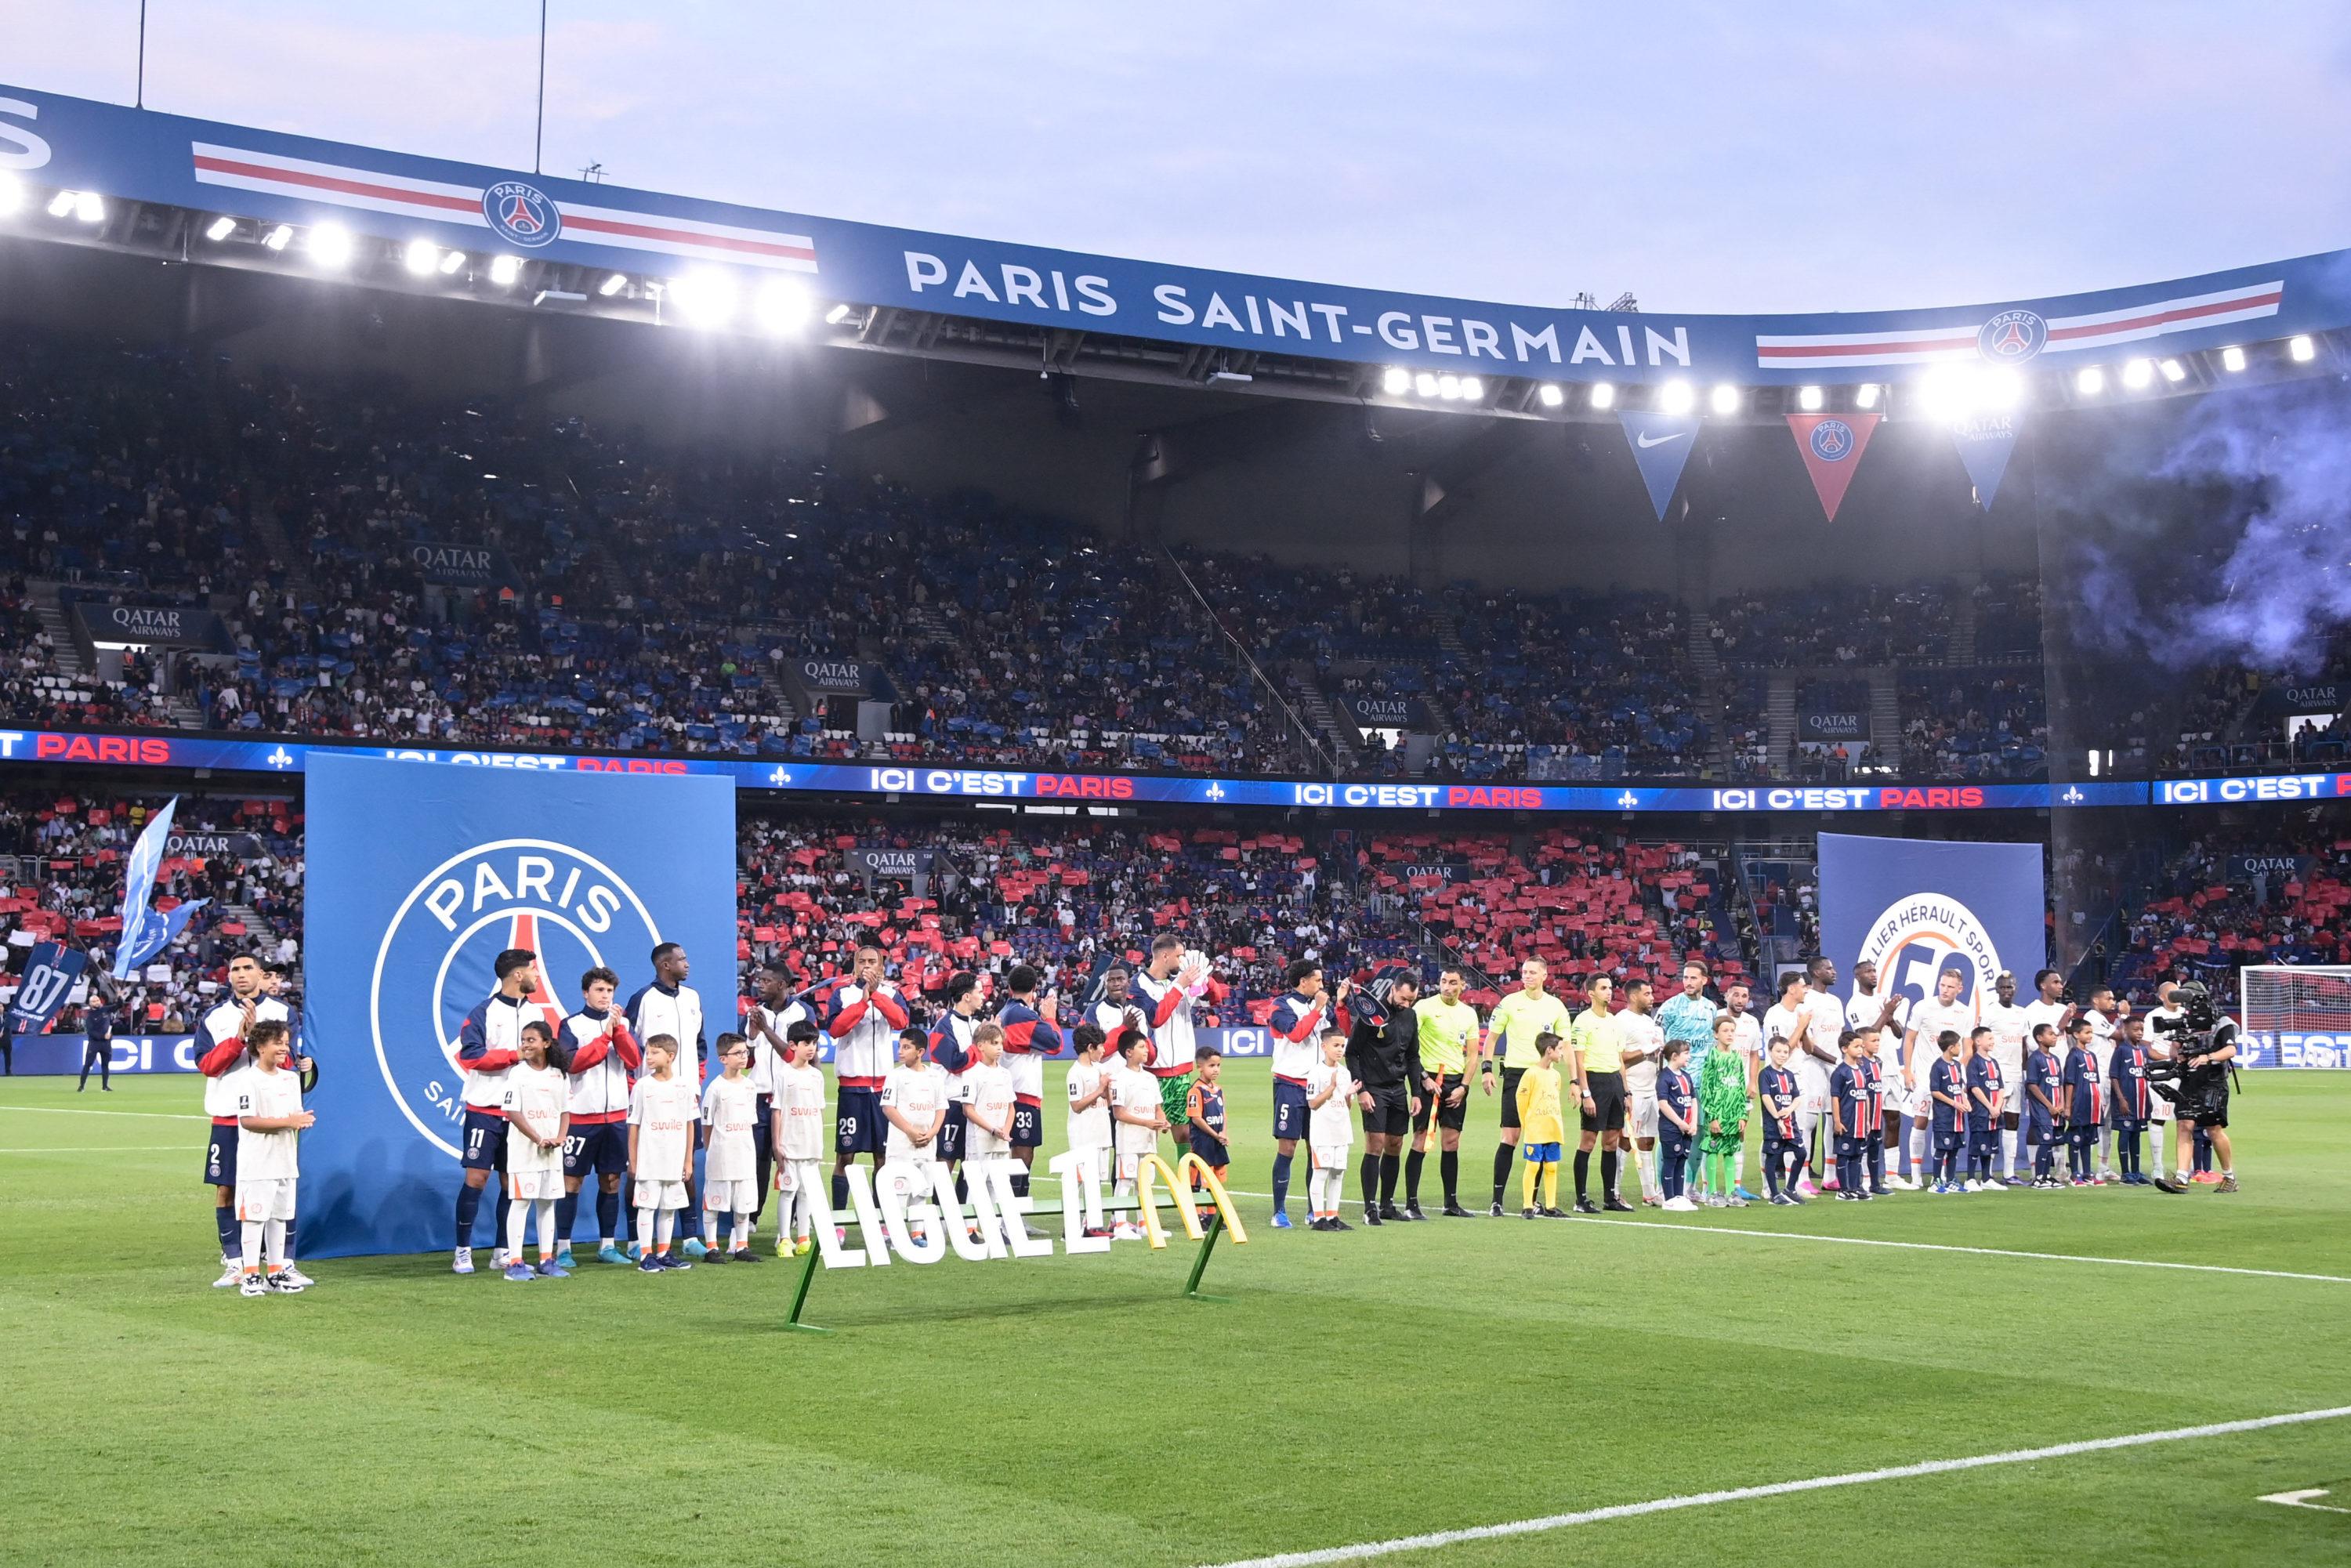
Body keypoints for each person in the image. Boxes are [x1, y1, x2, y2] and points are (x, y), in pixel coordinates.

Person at [198, 952, 292, 1289]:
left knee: (279, 1186)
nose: (240, 974)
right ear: (228, 977)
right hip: (227, 1114)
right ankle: (235, 1262)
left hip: (270, 1116)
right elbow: (207, 1065)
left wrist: (262, 1045)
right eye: (234, 969)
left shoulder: (282, 1012)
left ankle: (282, 1263)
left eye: (247, 968)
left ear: (259, 973)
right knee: (226, 1189)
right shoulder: (214, 1016)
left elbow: (290, 1061)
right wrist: (239, 1038)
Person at [451, 947, 536, 1277]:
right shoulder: (483, 1011)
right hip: (484, 1109)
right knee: (477, 1177)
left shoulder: (538, 1015)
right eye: (532, 970)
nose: (536, 976)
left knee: (510, 1182)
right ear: (517, 975)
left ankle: (504, 1251)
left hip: (519, 1112)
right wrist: (515, 1054)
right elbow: (471, 1057)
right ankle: (462, 1251)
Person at [626, 943, 708, 1258]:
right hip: (651, 1096)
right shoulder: (643, 998)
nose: (687, 964)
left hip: (684, 1094)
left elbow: (700, 1044)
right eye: (681, 959)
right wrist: (636, 1082)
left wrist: (696, 1082)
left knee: (684, 1168)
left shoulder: (692, 998)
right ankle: (636, 1241)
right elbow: (630, 1046)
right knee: (641, 1168)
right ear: (664, 964)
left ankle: (689, 1237)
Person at [556, 965, 639, 1269]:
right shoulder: (571, 1025)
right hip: (580, 1117)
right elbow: (573, 1063)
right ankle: (563, 1248)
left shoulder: (623, 1024)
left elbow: (633, 1061)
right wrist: (604, 1038)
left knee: (612, 1181)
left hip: (616, 1117)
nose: (605, 996)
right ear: (585, 993)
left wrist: (617, 1032)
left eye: (609, 991)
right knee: (572, 1182)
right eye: (599, 990)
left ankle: (607, 1246)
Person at [226, 1020, 312, 1297]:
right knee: (254, 1217)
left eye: (286, 1043)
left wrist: (299, 1121)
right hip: (257, 1161)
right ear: (260, 1047)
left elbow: (294, 1116)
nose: (284, 1049)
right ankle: (250, 1275)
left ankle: (275, 1272)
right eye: (278, 1043)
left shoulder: (290, 1079)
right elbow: (248, 1120)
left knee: (279, 1217)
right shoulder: (247, 1080)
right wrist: (290, 1121)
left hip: (285, 1159)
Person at [1482, 958, 1572, 1215]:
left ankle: (1532, 1202)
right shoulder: (1510, 1003)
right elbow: (1492, 1037)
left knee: (1542, 1138)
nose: (1527, 976)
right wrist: (1487, 1069)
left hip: (1545, 1077)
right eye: (1524, 972)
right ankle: (1496, 1200)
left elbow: (1565, 1043)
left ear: (1545, 974)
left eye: (1533, 972)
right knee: (1510, 1137)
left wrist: (1574, 1080)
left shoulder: (1556, 1006)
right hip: (1516, 1075)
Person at [825, 944, 911, 1212]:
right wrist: (863, 1002)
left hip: (883, 1090)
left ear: (881, 966)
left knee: (883, 1156)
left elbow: (900, 1022)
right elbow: (836, 1029)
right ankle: (839, 1219)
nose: (867, 966)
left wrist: (876, 996)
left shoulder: (892, 994)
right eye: (862, 961)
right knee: (845, 1155)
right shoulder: (842, 995)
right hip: (852, 1088)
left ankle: (880, 1217)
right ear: (854, 964)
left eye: (872, 961)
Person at [1266, 957, 1339, 1229]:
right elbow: (1296, 1035)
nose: (1322, 985)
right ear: (1303, 981)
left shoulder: (1319, 1007)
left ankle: (1313, 1210)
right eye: (1318, 980)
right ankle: (1279, 1212)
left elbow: (1335, 1035)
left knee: (1315, 1148)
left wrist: (1339, 1005)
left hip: (1316, 1086)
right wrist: (1318, 1009)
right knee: (1288, 1147)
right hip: (1289, 1084)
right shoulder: (1281, 1006)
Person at [1345, 969, 1424, 1224]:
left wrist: (1417, 1094)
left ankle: (1387, 1205)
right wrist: (1362, 1089)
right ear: (1393, 989)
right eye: (1403, 998)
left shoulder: (1410, 1016)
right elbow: (1352, 1053)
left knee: (1395, 1145)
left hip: (1398, 1088)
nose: (1406, 1004)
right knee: (1375, 1144)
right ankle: (1370, 1208)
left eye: (1411, 1000)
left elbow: (1413, 1057)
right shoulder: (1371, 1014)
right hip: (1374, 1088)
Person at [1130, 934, 1213, 1166]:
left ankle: (1186, 1183)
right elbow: (1155, 1017)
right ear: (1164, 956)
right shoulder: (1139, 984)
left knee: (1185, 1133)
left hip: (1182, 1072)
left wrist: (1205, 979)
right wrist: (1180, 985)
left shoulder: (1181, 979)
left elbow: (1215, 998)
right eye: (1180, 956)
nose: (1183, 960)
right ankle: (1143, 1185)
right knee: (1149, 1133)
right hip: (1153, 1072)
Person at [2152, 983, 2239, 1194]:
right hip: (2188, 1081)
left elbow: (2230, 1050)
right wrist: (2177, 1050)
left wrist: (2206, 1057)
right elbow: (2175, 1053)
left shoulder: (2222, 1021)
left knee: (2213, 1130)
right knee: (2184, 1125)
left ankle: (2229, 1177)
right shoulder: (2185, 1022)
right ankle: (2182, 1178)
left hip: (2213, 1082)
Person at [501, 1019, 571, 1282]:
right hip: (524, 1151)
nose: (525, 1045)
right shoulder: (517, 1073)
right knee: (521, 1203)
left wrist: (560, 1137)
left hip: (552, 1152)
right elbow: (512, 1111)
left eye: (531, 1040)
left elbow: (565, 1110)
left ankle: (546, 1260)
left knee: (547, 1204)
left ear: (546, 1043)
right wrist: (538, 1138)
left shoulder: (559, 1073)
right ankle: (515, 1263)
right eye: (523, 1040)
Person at [1409, 965, 1481, 1216]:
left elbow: (1473, 1056)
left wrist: (1464, 1086)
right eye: (1443, 981)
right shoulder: (1424, 1008)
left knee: (1451, 1142)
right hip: (1428, 1081)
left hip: (1455, 1084)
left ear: (1463, 985)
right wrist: (1424, 1079)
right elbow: (1409, 1046)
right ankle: (1411, 1204)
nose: (1447, 987)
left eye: (1453, 982)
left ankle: (1450, 1204)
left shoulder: (1469, 1014)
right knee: (1420, 1139)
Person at [628, 1034, 697, 1272]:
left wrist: (688, 1160)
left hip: (674, 1159)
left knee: (669, 1207)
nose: (649, 1056)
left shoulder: (684, 1086)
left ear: (670, 1056)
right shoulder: (642, 1086)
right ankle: (645, 1256)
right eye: (647, 1052)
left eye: (654, 1052)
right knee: (647, 1206)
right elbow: (634, 1125)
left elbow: (690, 1123)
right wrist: (634, 1160)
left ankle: (664, 1252)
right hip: (650, 1159)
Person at [1902, 965, 1976, 1187]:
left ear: (1960, 989)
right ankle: (1916, 1174)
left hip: (1951, 1082)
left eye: (1950, 987)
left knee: (1945, 1124)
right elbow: (1909, 1040)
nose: (1945, 990)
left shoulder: (1965, 1012)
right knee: (1921, 1121)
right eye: (1942, 985)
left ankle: (1943, 1174)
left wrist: (1954, 1070)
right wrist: (1907, 1070)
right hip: (1925, 1077)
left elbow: (1969, 1049)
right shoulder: (1923, 1007)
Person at [994, 964, 1063, 1197]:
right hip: (1021, 1094)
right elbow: (1055, 1044)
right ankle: (1015, 1215)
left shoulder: (1006, 1012)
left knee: (1017, 1154)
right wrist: (1050, 1018)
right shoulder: (1022, 1014)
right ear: (1035, 988)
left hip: (1012, 1090)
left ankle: (1014, 1214)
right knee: (1022, 1154)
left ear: (1010, 987)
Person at [1656, 959, 1720, 1200]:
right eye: (1685, 978)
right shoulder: (1670, 1007)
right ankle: (1664, 1187)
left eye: (1693, 978)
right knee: (1671, 1134)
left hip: (1702, 1082)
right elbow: (1657, 1038)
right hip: (1676, 1081)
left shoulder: (1710, 1008)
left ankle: (1689, 1186)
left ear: (1705, 980)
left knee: (1699, 1133)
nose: (1688, 982)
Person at [1567, 975, 1628, 1215]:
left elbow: (1620, 1060)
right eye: (1603, 988)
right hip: (1595, 1081)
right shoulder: (1582, 1021)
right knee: (1588, 1142)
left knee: (1611, 1143)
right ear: (1591, 993)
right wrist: (1586, 1093)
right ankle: (1581, 1199)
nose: (1609, 992)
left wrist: (1627, 1091)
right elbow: (1579, 1062)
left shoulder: (1614, 1021)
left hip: (1614, 1082)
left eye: (1610, 988)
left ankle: (1609, 1198)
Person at [701, 1033, 763, 1262]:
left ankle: (741, 1246)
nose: (743, 1057)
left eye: (745, 1052)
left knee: (744, 1202)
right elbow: (707, 1124)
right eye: (738, 1053)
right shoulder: (715, 1089)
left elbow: (751, 1121)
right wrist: (713, 1149)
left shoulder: (750, 1086)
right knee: (714, 1202)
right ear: (723, 1058)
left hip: (745, 1153)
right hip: (721, 1154)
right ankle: (711, 1248)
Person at [1762, 972, 1823, 1197]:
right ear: (1791, 989)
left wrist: (1804, 1027)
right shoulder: (1774, 1015)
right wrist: (1801, 1025)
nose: (1806, 989)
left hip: (1798, 1075)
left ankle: (1798, 1181)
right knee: (1775, 1132)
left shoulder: (1800, 1013)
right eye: (1803, 986)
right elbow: (1783, 1050)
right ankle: (1769, 1186)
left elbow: (1808, 1047)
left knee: (1802, 1128)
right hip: (1777, 1078)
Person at [770, 1021, 827, 1256]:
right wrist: (776, 1144)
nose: (811, 1048)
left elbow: (820, 1110)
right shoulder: (784, 1075)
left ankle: (803, 1238)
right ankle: (784, 1238)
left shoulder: (817, 1076)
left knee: (807, 1193)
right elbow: (777, 1110)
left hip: (811, 1145)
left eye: (814, 1043)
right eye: (806, 1043)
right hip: (790, 1144)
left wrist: (820, 1143)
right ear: (792, 1045)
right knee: (788, 1191)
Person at [880, 1027, 950, 1220]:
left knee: (922, 1191)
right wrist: (910, 1131)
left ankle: (917, 1234)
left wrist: (933, 1132)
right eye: (900, 1046)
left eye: (906, 1047)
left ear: (920, 1052)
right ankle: (896, 1234)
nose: (900, 1051)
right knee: (900, 1192)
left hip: (927, 1145)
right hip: (902, 1145)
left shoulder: (935, 1076)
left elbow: (941, 1107)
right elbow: (888, 1107)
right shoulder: (895, 1076)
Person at [926, 971, 988, 1182]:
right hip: (951, 1103)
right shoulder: (943, 1027)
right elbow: (954, 1063)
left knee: (972, 1163)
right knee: (945, 1160)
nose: (984, 996)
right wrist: (981, 1045)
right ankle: (941, 1214)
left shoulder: (976, 1024)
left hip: (973, 1104)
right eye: (980, 992)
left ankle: (964, 1213)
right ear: (967, 996)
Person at [1109, 1029, 1168, 1240]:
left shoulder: (1151, 1078)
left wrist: (1162, 1122)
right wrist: (1147, 1122)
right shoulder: (1119, 1079)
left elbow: (1158, 1107)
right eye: (1142, 1047)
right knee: (1125, 1181)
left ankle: (1145, 1223)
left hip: (1149, 1140)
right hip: (1129, 1139)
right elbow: (1119, 1113)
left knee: (1145, 1182)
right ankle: (1120, 1225)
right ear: (1128, 1052)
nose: (1147, 1050)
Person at [1799, 957, 1849, 1188]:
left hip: (1834, 1066)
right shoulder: (1805, 1000)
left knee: (1832, 1119)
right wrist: (1834, 1059)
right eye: (1829, 968)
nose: (1834, 971)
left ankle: (1830, 1175)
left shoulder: (1837, 1001)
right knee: (1809, 1122)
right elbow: (1806, 1042)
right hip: (1812, 1065)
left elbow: (1838, 1034)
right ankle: (1803, 1177)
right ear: (1816, 972)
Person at [1617, 977, 1665, 1208]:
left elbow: (1655, 1054)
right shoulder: (1621, 1022)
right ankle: (1613, 1191)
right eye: (1647, 994)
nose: (1652, 998)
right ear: (1634, 996)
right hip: (1632, 1090)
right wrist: (1646, 1050)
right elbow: (1617, 1057)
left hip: (1652, 1089)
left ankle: (1650, 1193)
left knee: (1648, 1141)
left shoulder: (1650, 1022)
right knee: (1625, 1140)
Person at [1305, 1029, 1358, 1232]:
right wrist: (1332, 1087)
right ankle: (1318, 1218)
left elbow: (1347, 1106)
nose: (1340, 1050)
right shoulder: (1316, 1072)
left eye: (1342, 1046)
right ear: (1324, 1046)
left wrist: (1348, 1095)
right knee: (1321, 1173)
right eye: (1336, 1045)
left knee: (1338, 1174)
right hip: (1322, 1132)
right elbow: (1313, 1103)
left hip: (1341, 1130)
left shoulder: (1345, 1072)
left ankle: (1333, 1215)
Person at [1064, 1023, 1115, 1234]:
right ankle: (1071, 1226)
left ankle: (1089, 1225)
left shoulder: (1101, 1070)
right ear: (1090, 1047)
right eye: (1101, 1046)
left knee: (1096, 1181)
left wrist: (1107, 1091)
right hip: (1083, 1135)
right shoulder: (1075, 1073)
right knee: (1078, 1181)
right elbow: (1076, 1105)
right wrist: (1100, 1089)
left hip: (1101, 1133)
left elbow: (1109, 1103)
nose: (1104, 1051)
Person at [1982, 972, 2032, 1182]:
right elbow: (1981, 1042)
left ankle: (2009, 1172)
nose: (2006, 991)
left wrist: (2025, 1073)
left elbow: (2024, 1047)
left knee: (2013, 1121)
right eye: (2002, 988)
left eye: (2009, 987)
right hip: (1994, 1074)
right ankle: (1988, 1172)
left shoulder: (2022, 1014)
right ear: (1997, 989)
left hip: (2014, 1075)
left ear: (2015, 988)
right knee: (1992, 1122)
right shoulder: (1989, 1012)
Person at [1697, 1014, 1750, 1208]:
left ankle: (1730, 1192)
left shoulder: (1736, 1058)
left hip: (1733, 1115)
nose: (1729, 1034)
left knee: (1730, 1152)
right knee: (1712, 1150)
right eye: (1725, 1031)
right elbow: (1706, 1088)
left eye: (1732, 1031)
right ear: (1716, 1034)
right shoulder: (1712, 1057)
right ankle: (1711, 1192)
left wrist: (1742, 1115)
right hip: (1717, 1115)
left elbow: (1740, 1087)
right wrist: (1711, 1116)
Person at [1513, 1033, 1567, 1220]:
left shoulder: (1556, 1075)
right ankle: (1527, 1206)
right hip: (1536, 1129)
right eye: (1559, 1049)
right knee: (1534, 1165)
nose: (1562, 1053)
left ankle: (1551, 1206)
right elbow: (1521, 1100)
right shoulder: (1531, 1073)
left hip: (1552, 1128)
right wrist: (1526, 1123)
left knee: (1552, 1166)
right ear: (1549, 1050)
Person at [1756, 1036, 1805, 1205]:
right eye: (1778, 1051)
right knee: (1772, 1157)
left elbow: (1797, 1098)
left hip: (1790, 1124)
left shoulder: (1789, 1075)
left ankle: (1790, 1189)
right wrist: (1777, 1117)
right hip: (1773, 1125)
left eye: (1785, 1052)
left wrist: (1789, 1110)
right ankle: (1774, 1194)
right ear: (1770, 1052)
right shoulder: (1765, 1074)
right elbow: (1766, 1097)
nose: (1782, 1055)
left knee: (1801, 1153)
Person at [1828, 1029, 1876, 1201]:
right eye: (1856, 1046)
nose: (1860, 1050)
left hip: (1861, 1123)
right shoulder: (1840, 1072)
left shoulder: (1863, 1071)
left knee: (1857, 1156)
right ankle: (1843, 1189)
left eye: (1861, 1046)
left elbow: (1866, 1097)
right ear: (1844, 1049)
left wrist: (1868, 1120)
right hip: (1847, 1121)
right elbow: (1835, 1097)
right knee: (1844, 1155)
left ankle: (1856, 1187)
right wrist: (1837, 1121)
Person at [2107, 1015, 2153, 1186]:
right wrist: (2121, 1099)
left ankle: (2136, 1171)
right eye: (2136, 1030)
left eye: (2142, 1030)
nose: (2140, 1033)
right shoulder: (2121, 1051)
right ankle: (2125, 1173)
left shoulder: (2143, 1051)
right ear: (2125, 1030)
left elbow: (2145, 1077)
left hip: (2140, 1103)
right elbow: (2114, 1076)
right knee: (2125, 1135)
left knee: (2136, 1136)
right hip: (2126, 1102)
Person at [1964, 1027, 2009, 1193]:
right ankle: (1970, 1179)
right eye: (1989, 1038)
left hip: (1995, 1113)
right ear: (1978, 1041)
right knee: (1977, 1144)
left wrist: (1997, 1107)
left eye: (1993, 1038)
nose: (1993, 1041)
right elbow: (1974, 1088)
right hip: (1980, 1113)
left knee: (1990, 1146)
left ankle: (1986, 1178)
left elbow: (2000, 1086)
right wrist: (1990, 1107)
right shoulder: (1974, 1062)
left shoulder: (1994, 1062)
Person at [1655, 1039, 1699, 1212]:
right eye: (1686, 1053)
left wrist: (1693, 1122)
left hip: (1687, 1127)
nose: (1689, 1056)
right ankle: (1669, 1198)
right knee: (1671, 1160)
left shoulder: (1686, 1076)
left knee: (1682, 1160)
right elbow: (1663, 1104)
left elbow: (1693, 1100)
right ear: (1674, 1056)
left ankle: (1679, 1196)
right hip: (1671, 1128)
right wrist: (1680, 1123)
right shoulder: (1665, 1077)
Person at [2059, 1017, 2103, 1187]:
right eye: (2087, 1032)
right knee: (2075, 1138)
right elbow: (2070, 1082)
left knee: (2087, 1139)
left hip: (2092, 1105)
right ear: (2077, 1034)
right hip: (2078, 1104)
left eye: (2091, 1032)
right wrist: (2068, 1106)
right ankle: (2074, 1174)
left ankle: (2087, 1173)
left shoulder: (2092, 1056)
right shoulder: (2074, 1056)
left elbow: (2094, 1081)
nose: (2090, 1035)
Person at [1925, 1030, 1970, 1194]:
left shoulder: (1957, 1066)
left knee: (1954, 1149)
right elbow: (1935, 1091)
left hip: (1958, 1118)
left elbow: (1960, 1087)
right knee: (1942, 1149)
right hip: (1944, 1116)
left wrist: (1965, 1102)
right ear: (1951, 1047)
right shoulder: (1938, 1066)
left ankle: (1951, 1180)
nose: (1960, 1048)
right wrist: (1954, 1103)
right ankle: (1936, 1181)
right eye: (1958, 1045)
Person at [1185, 1045, 1230, 1199]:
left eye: (1218, 1065)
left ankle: (1212, 1215)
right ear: (1200, 1067)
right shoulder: (1196, 1090)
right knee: (1198, 1177)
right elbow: (1196, 1119)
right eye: (1211, 1066)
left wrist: (1223, 1133)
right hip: (1202, 1141)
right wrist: (1215, 1135)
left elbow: (1223, 1112)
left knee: (1215, 1178)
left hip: (1217, 1140)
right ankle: (1196, 1215)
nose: (1216, 1069)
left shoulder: (1218, 1089)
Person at [2024, 1023, 2064, 1187]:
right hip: (2042, 1108)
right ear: (2040, 1038)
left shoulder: (2055, 1059)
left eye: (2055, 1034)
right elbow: (2032, 1085)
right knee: (2045, 1141)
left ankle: (2047, 1176)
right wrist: (2049, 1105)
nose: (2054, 1037)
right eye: (2050, 1034)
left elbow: (2059, 1083)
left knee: (2051, 1142)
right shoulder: (2035, 1059)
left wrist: (2061, 1103)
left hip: (2056, 1108)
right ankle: (2039, 1177)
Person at [77, 994, 114, 1092]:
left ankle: (105, 1086)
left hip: (106, 1043)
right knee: (88, 1064)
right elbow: (90, 1032)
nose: (97, 1002)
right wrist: (103, 1036)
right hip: (94, 1043)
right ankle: (82, 1086)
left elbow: (118, 1005)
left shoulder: (105, 1010)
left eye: (97, 1000)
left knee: (105, 1064)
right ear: (90, 1004)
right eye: (94, 1001)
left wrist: (119, 997)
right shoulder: (90, 1016)